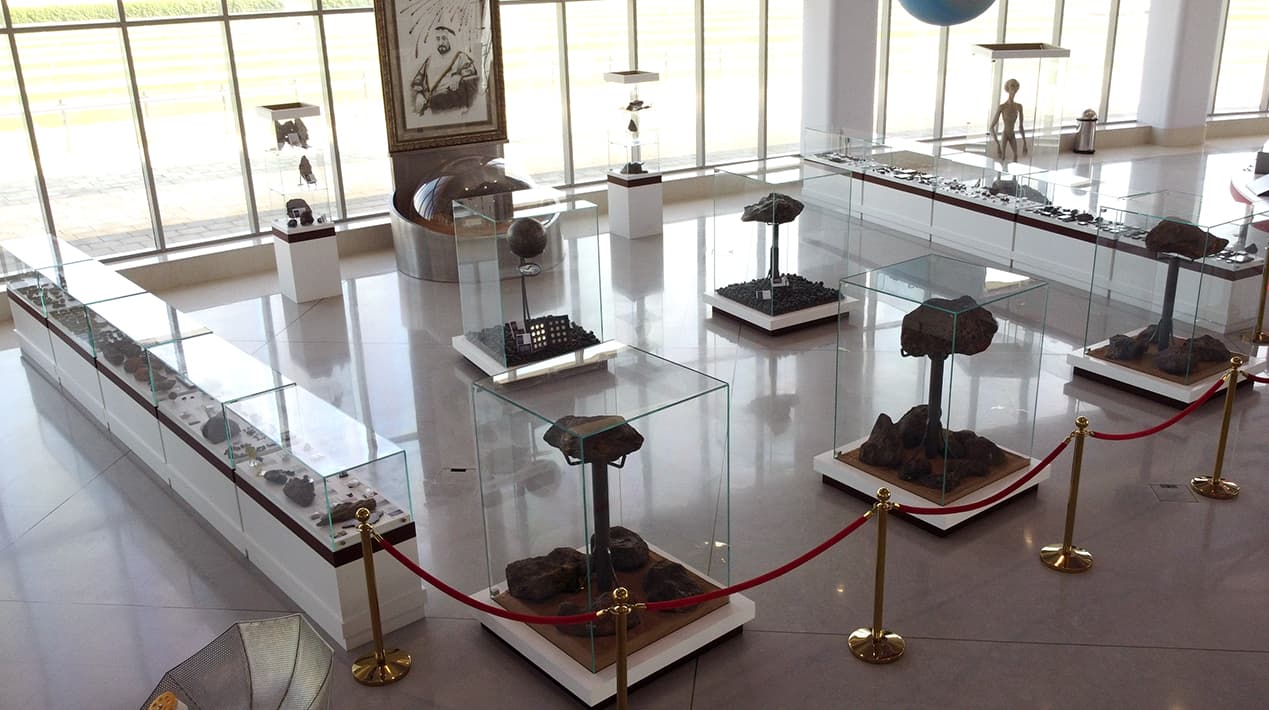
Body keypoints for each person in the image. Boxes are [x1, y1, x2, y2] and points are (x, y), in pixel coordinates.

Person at [410, 25, 479, 116]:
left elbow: (471, 70)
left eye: (444, 38)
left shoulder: (460, 56)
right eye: (438, 39)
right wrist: (419, 94)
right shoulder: (430, 60)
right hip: (429, 105)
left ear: (450, 40)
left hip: (451, 105)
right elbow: (418, 78)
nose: (441, 42)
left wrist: (459, 75)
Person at [989, 78, 1027, 163]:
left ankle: (1014, 171)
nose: (1014, 88)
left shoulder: (1019, 106)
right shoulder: (1002, 107)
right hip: (1005, 134)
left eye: (1016, 86)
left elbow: (1021, 126)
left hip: (1012, 134)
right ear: (1008, 88)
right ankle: (1000, 171)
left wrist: (1025, 142)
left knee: (1015, 155)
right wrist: (997, 144)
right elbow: (991, 127)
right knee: (1002, 157)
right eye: (1012, 86)